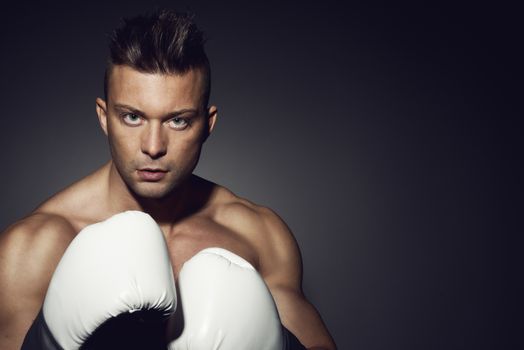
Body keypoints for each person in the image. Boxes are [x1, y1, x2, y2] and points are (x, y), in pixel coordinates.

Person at [0, 9, 336, 350]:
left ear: (207, 124)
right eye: (132, 117)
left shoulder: (257, 236)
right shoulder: (33, 248)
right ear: (104, 117)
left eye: (178, 121)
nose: (153, 147)